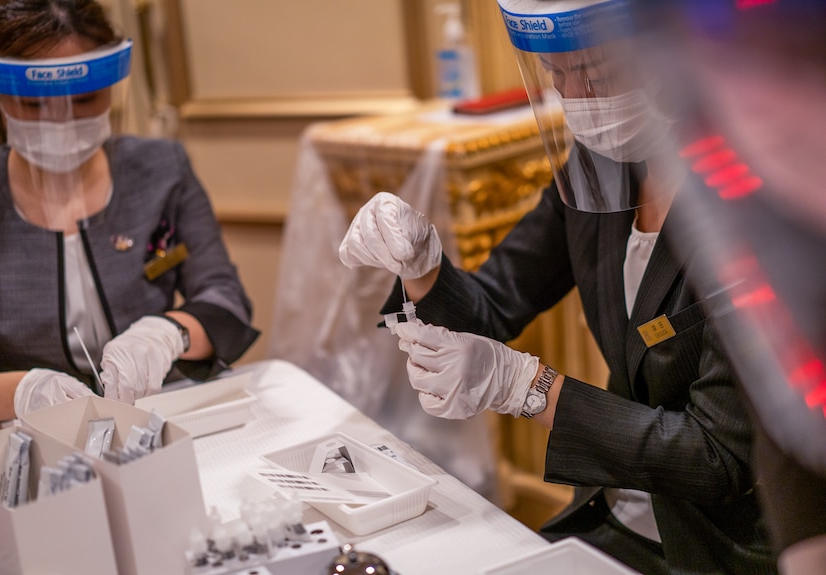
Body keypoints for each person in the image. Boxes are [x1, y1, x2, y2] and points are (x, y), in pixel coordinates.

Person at [339, 0, 776, 573]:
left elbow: (718, 459)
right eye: (557, 74)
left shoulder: (760, 203)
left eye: (599, 73)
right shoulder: (605, 165)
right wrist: (421, 266)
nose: (577, 98)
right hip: (615, 513)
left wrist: (529, 386)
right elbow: (494, 305)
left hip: (723, 545)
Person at [0, 0, 259, 427]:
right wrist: (26, 394)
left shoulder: (161, 171)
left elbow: (224, 299)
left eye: (84, 99)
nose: (61, 120)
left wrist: (167, 335)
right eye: (34, 105)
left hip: (160, 419)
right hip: (28, 439)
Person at [626, 1, 826, 573]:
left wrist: (533, 390)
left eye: (793, 57)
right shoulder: (763, 234)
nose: (761, 104)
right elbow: (793, 431)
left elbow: (717, 453)